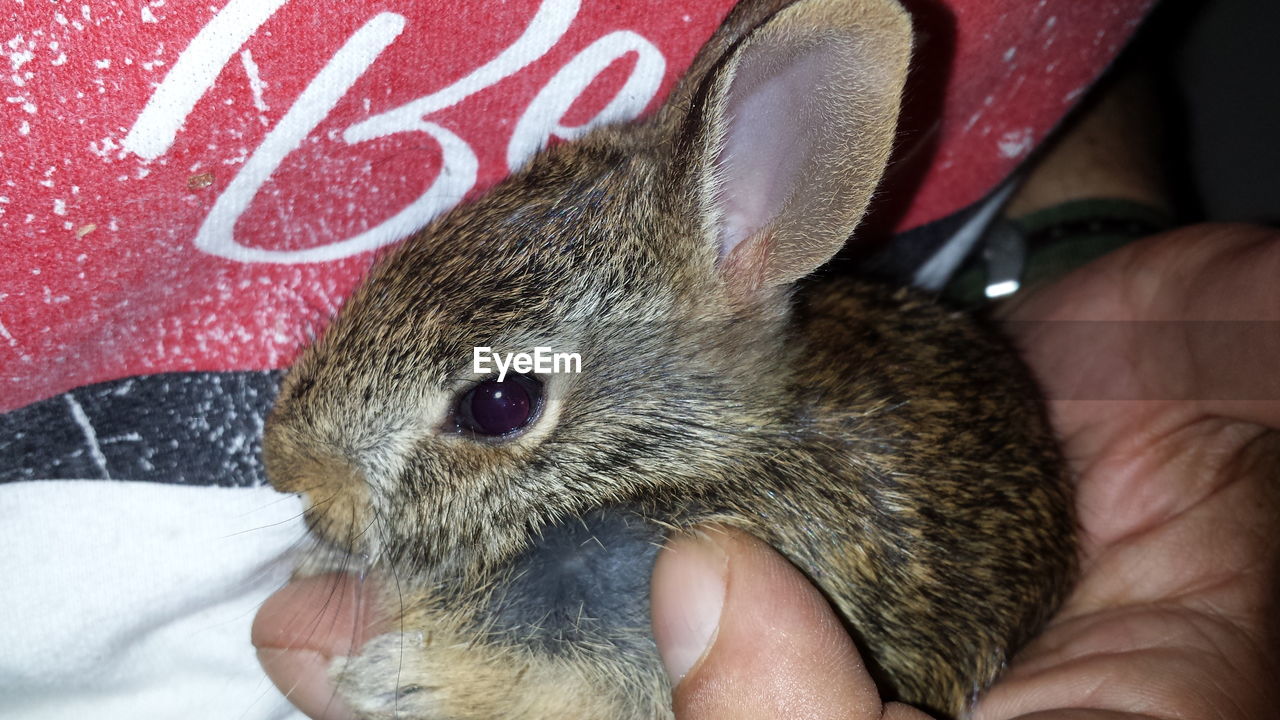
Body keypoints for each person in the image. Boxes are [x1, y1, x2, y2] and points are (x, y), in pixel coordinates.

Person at [251, 60, 1280, 719]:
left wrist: (1071, 243)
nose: (284, 469)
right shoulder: (557, 361)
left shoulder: (743, 523)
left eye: (496, 406)